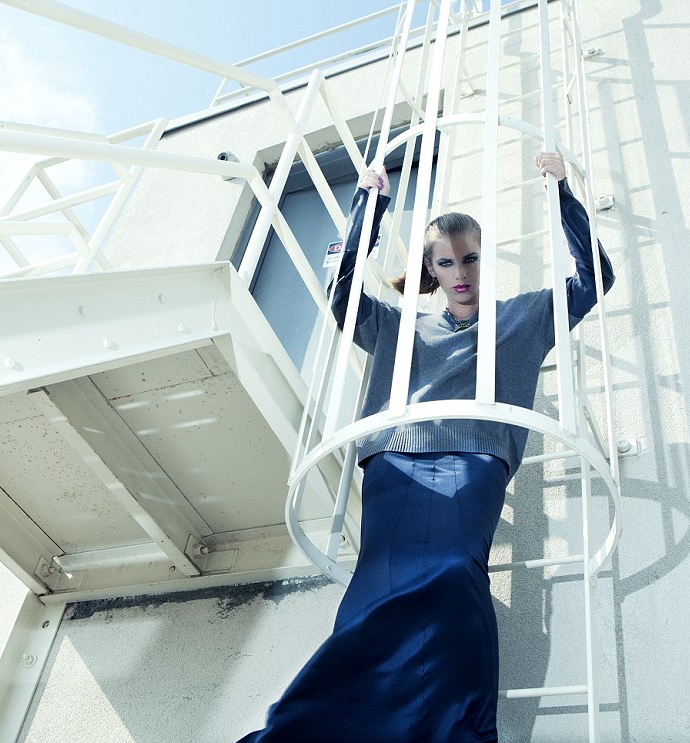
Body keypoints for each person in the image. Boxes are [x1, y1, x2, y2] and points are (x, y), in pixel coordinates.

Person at [237, 152, 614, 743]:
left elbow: (595, 278)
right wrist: (369, 207)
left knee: (455, 571)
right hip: (395, 462)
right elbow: (341, 295)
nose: (460, 272)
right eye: (446, 262)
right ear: (432, 269)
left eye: (470, 258)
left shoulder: (526, 315)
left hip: (476, 460)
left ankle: (456, 729)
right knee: (377, 589)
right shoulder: (400, 324)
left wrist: (562, 192)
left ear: (485, 259)